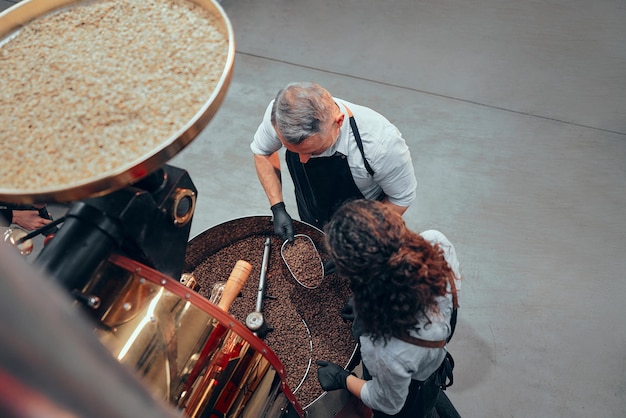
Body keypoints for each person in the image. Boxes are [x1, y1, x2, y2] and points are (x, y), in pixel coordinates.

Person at [316, 199, 462, 417]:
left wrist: (343, 379)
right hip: (430, 362)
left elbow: (387, 401)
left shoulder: (382, 348)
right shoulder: (436, 243)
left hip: (409, 395)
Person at [250, 82, 417, 241]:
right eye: (294, 152)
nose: (303, 160)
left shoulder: (381, 144)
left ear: (338, 122)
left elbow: (400, 198)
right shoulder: (281, 115)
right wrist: (277, 207)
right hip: (311, 208)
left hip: (363, 221)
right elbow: (262, 152)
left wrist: (358, 239)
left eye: (312, 151)